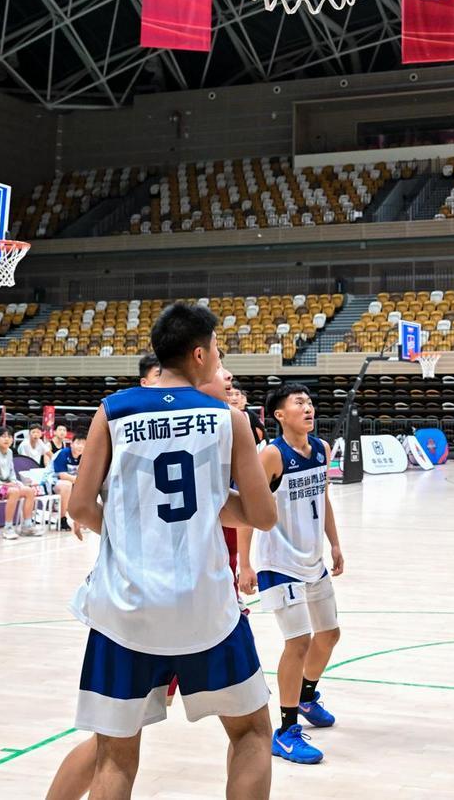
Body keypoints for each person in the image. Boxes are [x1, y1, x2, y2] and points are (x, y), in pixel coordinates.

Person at [66, 302, 278, 800]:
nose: (220, 359)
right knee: (250, 734)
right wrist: (207, 502)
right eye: (218, 350)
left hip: (126, 608)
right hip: (206, 609)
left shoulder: (113, 410)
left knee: (114, 759)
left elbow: (79, 505)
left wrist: (128, 527)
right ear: (199, 355)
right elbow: (262, 515)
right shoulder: (229, 419)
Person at [238, 384, 344, 766]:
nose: (308, 407)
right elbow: (248, 508)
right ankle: (284, 732)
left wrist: (334, 543)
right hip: (278, 564)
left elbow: (323, 498)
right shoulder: (271, 455)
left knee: (329, 635)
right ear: (280, 414)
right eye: (299, 403)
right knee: (298, 642)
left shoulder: (321, 449)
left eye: (310, 402)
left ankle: (306, 696)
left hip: (313, 560)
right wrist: (244, 563)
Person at [0, 427, 43, 541]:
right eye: (3, 436)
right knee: (14, 492)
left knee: (29, 491)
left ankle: (27, 526)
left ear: (12, 440)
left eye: (9, 437)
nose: (6, 439)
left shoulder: (10, 452)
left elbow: (11, 472)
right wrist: (4, 484)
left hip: (2, 485)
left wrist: (13, 482)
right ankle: (8, 528)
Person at [50, 433, 85, 534]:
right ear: (72, 444)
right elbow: (62, 476)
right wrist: (81, 481)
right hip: (52, 482)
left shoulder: (84, 457)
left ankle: (82, 518)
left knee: (88, 487)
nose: (81, 446)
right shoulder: (63, 453)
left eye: (84, 444)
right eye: (78, 443)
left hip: (71, 483)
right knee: (67, 485)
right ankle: (62, 519)